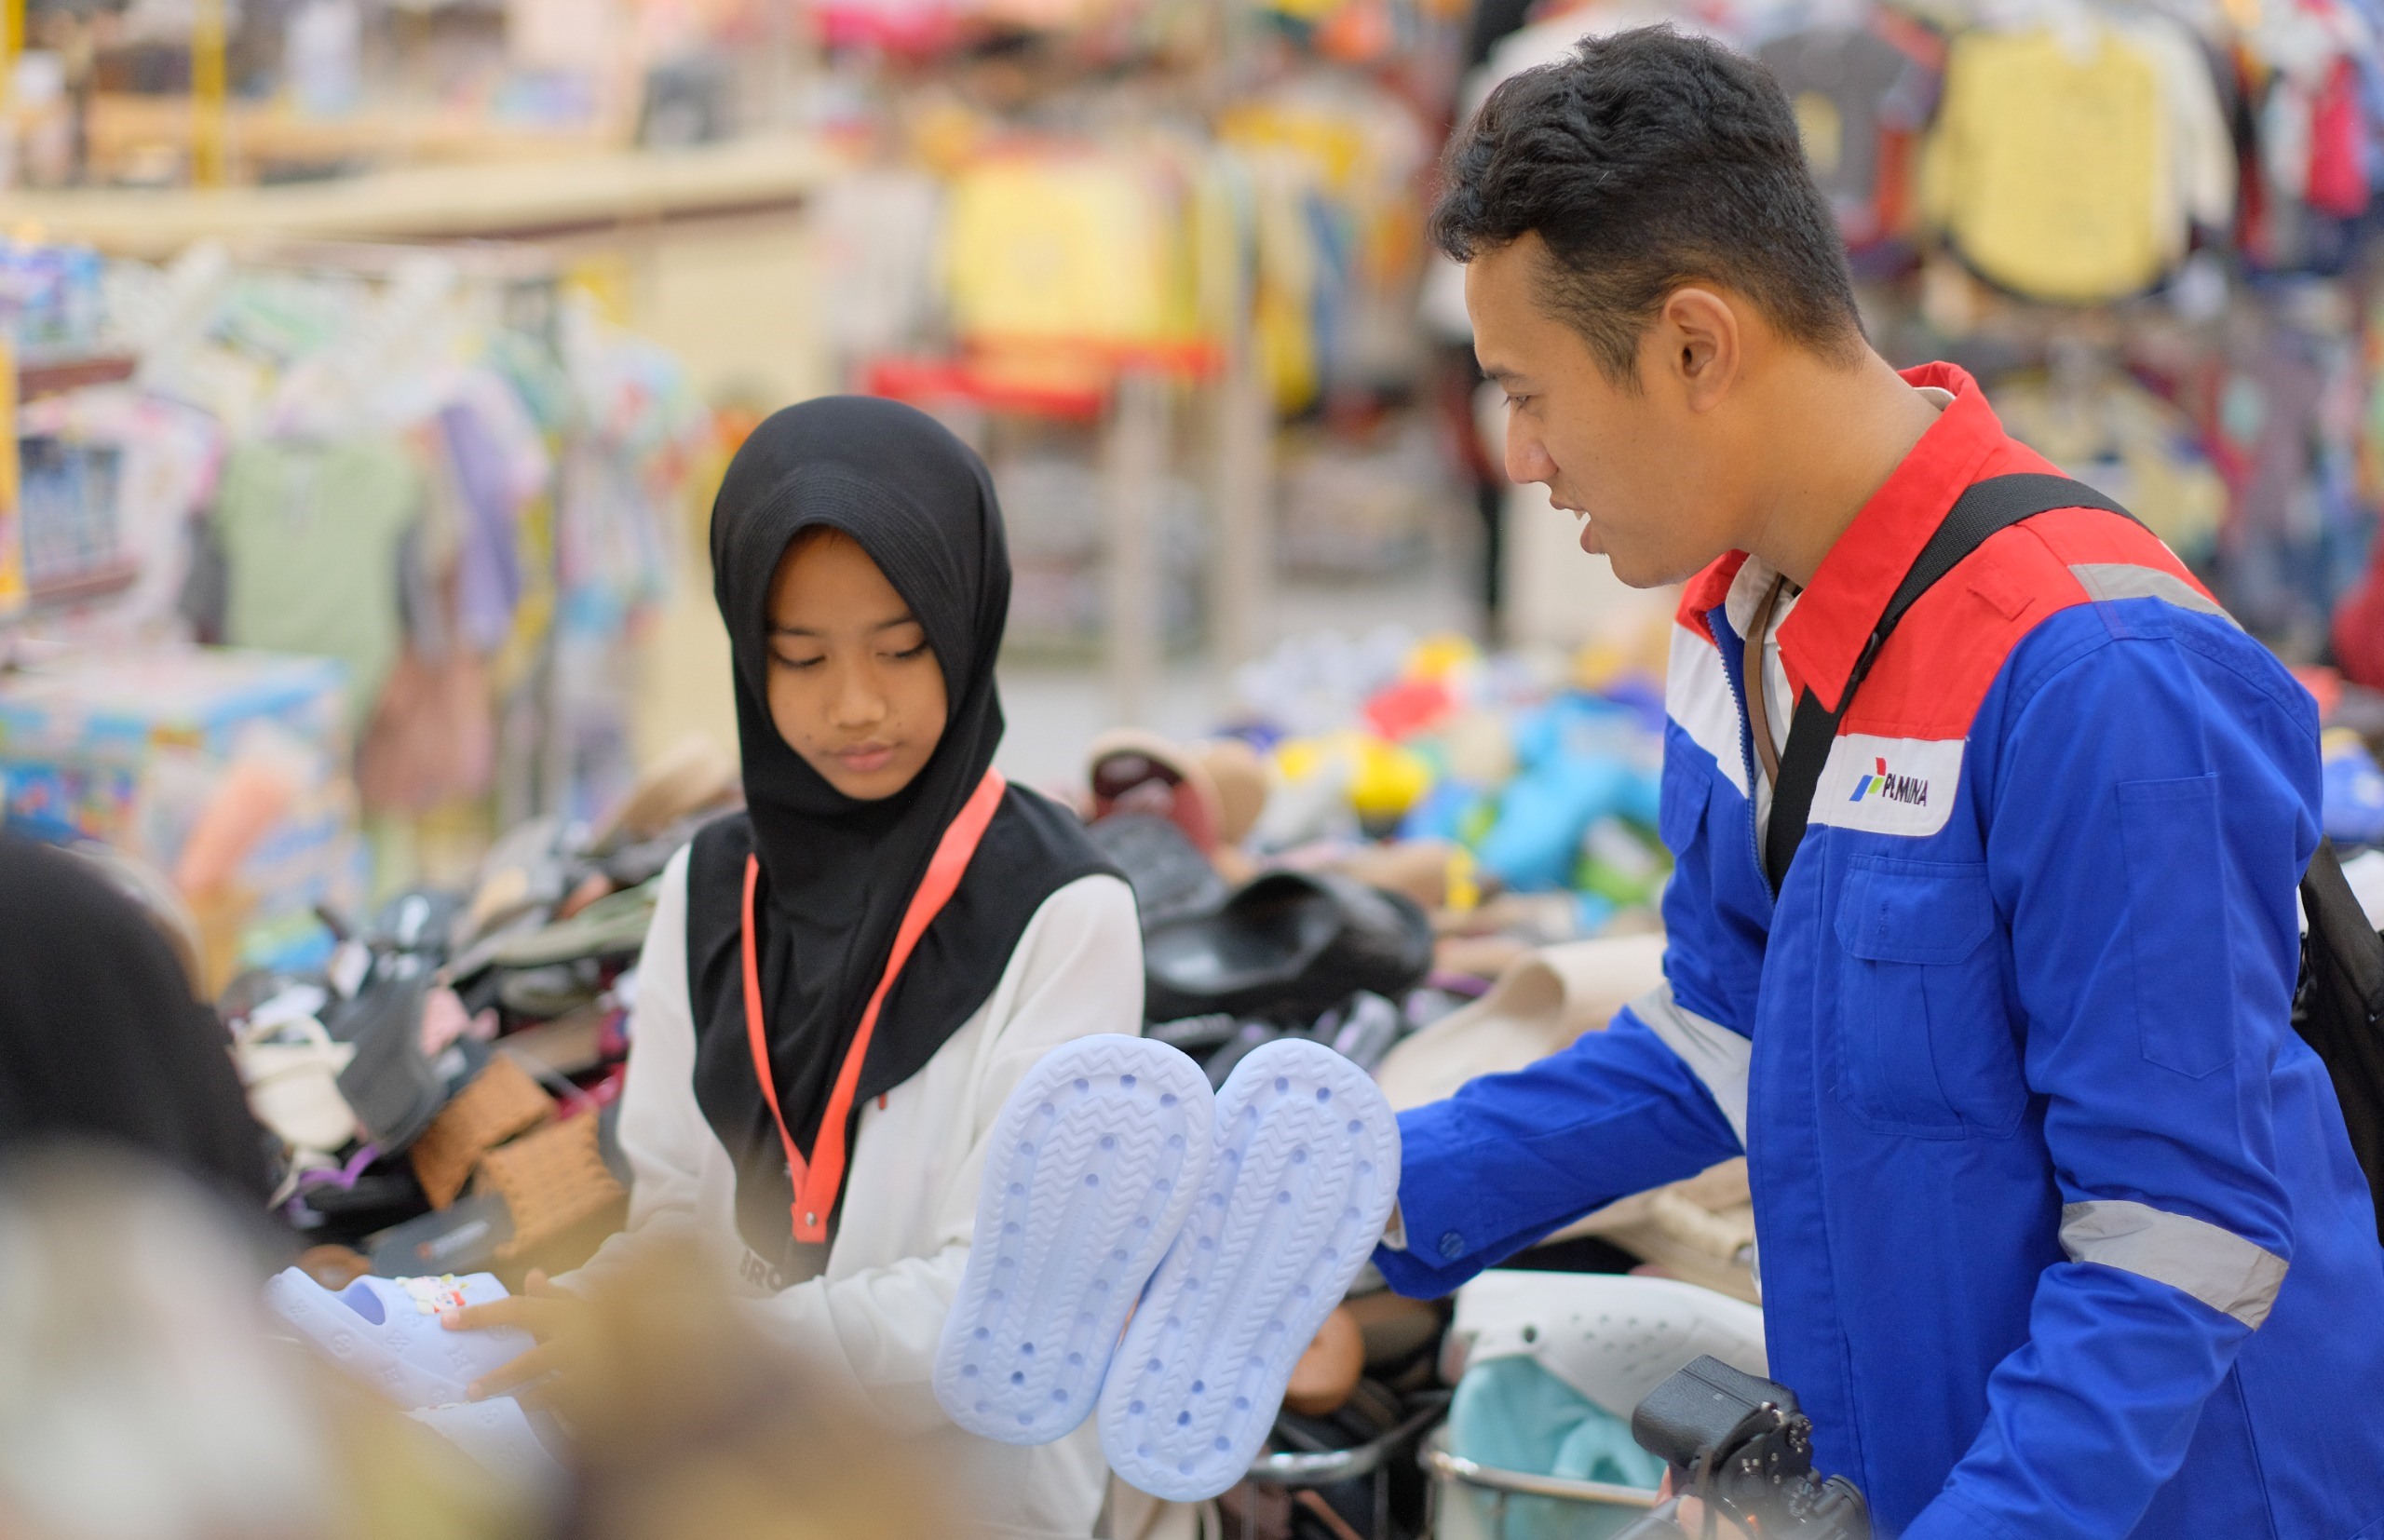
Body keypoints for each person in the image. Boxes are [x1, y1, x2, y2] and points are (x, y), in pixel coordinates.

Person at [1374, 27, 2384, 1539]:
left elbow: (2177, 1239)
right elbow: (1727, 1036)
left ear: (1695, 346)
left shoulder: (2095, 671)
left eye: (1529, 392)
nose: (1519, 456)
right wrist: (1363, 1189)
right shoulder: (1739, 628)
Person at [451, 397, 1142, 1539]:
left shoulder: (1066, 913)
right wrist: (589, 1312)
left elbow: (1000, 1298)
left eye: (901, 648)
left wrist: (710, 1347)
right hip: (738, 1484)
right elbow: (678, 1211)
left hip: (960, 1501)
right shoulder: (710, 883)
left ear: (966, 624)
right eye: (801, 657)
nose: (854, 705)